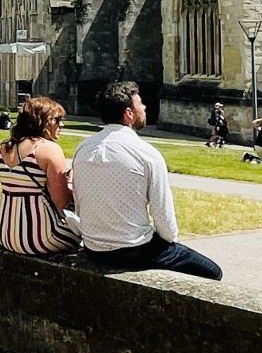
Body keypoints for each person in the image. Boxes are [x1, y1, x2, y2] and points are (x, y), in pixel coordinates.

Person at [72, 80, 222, 280]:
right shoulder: (146, 153)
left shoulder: (82, 149)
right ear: (129, 114)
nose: (145, 107)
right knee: (213, 272)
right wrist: (170, 245)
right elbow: (163, 215)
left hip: (94, 248)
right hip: (134, 250)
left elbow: (80, 204)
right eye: (140, 104)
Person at [0, 96, 82, 255]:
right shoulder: (48, 149)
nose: (61, 125)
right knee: (86, 238)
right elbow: (62, 201)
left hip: (4, 232)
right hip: (39, 237)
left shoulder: (4, 147)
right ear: (42, 120)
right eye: (57, 120)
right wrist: (70, 183)